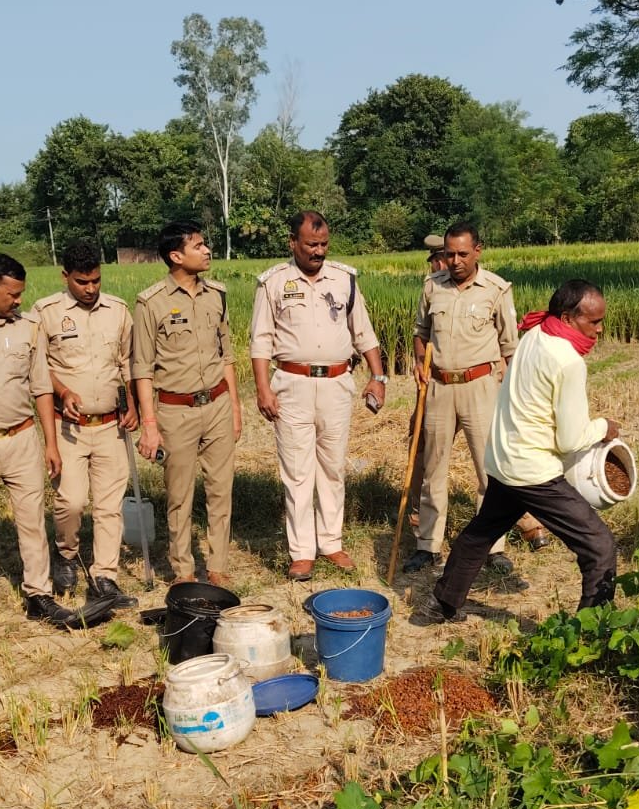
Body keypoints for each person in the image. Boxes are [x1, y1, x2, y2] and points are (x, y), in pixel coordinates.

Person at [418, 279, 620, 624]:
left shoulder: (535, 334)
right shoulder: (568, 361)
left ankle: (442, 604)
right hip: (533, 472)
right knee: (600, 547)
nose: (599, 330)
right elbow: (570, 440)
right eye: (594, 321)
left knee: (481, 533)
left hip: (503, 460)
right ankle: (590, 631)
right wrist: (603, 428)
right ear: (569, 318)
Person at [250, 211, 386, 580]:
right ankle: (301, 551)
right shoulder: (274, 283)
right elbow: (260, 341)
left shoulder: (344, 280)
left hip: (337, 385)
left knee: (332, 467)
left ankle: (331, 543)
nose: (318, 251)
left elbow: (364, 333)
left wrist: (378, 377)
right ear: (293, 242)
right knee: (297, 471)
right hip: (291, 386)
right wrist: (263, 388)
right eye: (311, 244)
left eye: (324, 244)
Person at [0, 254, 88, 629]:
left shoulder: (27, 328)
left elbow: (41, 388)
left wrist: (50, 443)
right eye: (12, 294)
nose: (19, 301)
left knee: (32, 521)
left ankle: (39, 594)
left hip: (22, 438)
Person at [402, 221, 522, 578]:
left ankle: (493, 546)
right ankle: (428, 545)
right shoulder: (432, 288)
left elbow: (509, 346)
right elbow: (420, 334)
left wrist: (509, 392)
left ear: (478, 252)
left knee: (488, 469)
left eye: (462, 254)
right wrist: (418, 362)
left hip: (480, 386)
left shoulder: (496, 290)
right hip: (439, 386)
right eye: (449, 254)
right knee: (434, 468)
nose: (454, 261)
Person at [132, 221, 242, 586]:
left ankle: (218, 567)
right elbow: (142, 369)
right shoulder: (151, 303)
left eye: (205, 244)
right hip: (175, 411)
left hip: (217, 405)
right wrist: (150, 425)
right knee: (179, 494)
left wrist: (236, 409)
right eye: (199, 246)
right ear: (176, 256)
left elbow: (227, 356)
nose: (207, 250)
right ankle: (183, 570)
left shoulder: (217, 295)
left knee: (220, 488)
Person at [33, 241, 138, 608]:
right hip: (68, 427)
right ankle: (66, 553)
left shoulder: (118, 311)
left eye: (95, 280)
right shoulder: (45, 313)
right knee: (72, 501)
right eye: (82, 282)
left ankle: (105, 576)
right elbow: (38, 368)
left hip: (111, 425)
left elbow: (128, 363)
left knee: (110, 505)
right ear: (66, 277)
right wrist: (61, 391)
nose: (91, 289)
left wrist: (134, 404)